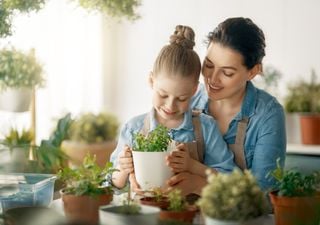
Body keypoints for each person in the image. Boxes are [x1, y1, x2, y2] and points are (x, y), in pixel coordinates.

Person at [167, 17, 286, 194]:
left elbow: (265, 195)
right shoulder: (185, 99)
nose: (213, 79)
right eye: (208, 65)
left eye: (227, 73)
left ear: (253, 72)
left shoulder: (268, 115)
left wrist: (201, 185)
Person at [110, 25, 235, 190]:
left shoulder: (205, 127)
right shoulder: (134, 128)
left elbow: (229, 177)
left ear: (194, 90)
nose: (170, 105)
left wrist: (192, 166)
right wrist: (123, 171)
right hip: (144, 212)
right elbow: (113, 183)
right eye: (163, 95)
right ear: (151, 81)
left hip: (190, 214)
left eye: (182, 98)